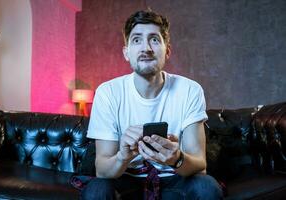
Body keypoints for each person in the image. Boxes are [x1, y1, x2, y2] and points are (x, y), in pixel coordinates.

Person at [82, 9, 223, 200]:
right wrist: (123, 156)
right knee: (97, 189)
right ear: (126, 52)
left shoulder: (190, 89)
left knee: (206, 187)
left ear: (168, 51)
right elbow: (102, 170)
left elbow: (200, 165)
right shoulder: (107, 92)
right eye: (137, 40)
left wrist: (176, 158)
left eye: (155, 39)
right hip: (125, 177)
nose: (146, 48)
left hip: (174, 178)